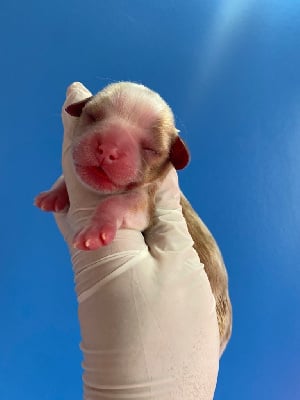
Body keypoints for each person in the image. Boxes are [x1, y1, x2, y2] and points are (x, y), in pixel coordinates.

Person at [53, 83, 220, 399]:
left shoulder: (160, 190)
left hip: (205, 311)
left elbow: (142, 207)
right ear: (79, 112)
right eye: (95, 117)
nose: (109, 148)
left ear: (170, 158)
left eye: (149, 149)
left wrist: (112, 212)